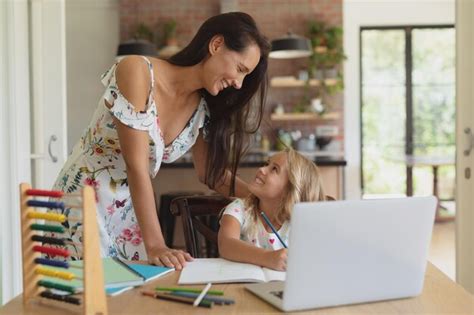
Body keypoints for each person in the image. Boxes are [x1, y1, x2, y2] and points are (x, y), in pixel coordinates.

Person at [50, 12, 270, 269]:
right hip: (82, 201)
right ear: (216, 44)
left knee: (128, 303)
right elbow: (137, 166)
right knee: (86, 301)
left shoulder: (203, 108)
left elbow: (212, 175)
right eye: (240, 69)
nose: (239, 83)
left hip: (129, 211)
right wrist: (156, 244)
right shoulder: (137, 71)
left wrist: (262, 200)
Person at [218, 148, 326, 271]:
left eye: (274, 169)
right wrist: (267, 258)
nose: (261, 169)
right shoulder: (239, 209)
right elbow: (226, 244)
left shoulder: (300, 223)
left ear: (290, 190)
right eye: (266, 164)